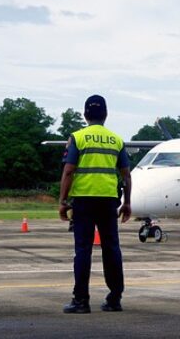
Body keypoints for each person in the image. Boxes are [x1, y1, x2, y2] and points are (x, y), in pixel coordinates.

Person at [59, 94, 132, 314]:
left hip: (83, 200)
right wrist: (127, 203)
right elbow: (126, 176)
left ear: (85, 114)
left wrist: (63, 200)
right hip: (109, 200)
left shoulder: (78, 137)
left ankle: (81, 301)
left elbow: (69, 170)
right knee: (111, 249)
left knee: (83, 249)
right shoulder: (116, 140)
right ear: (106, 115)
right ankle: (114, 298)